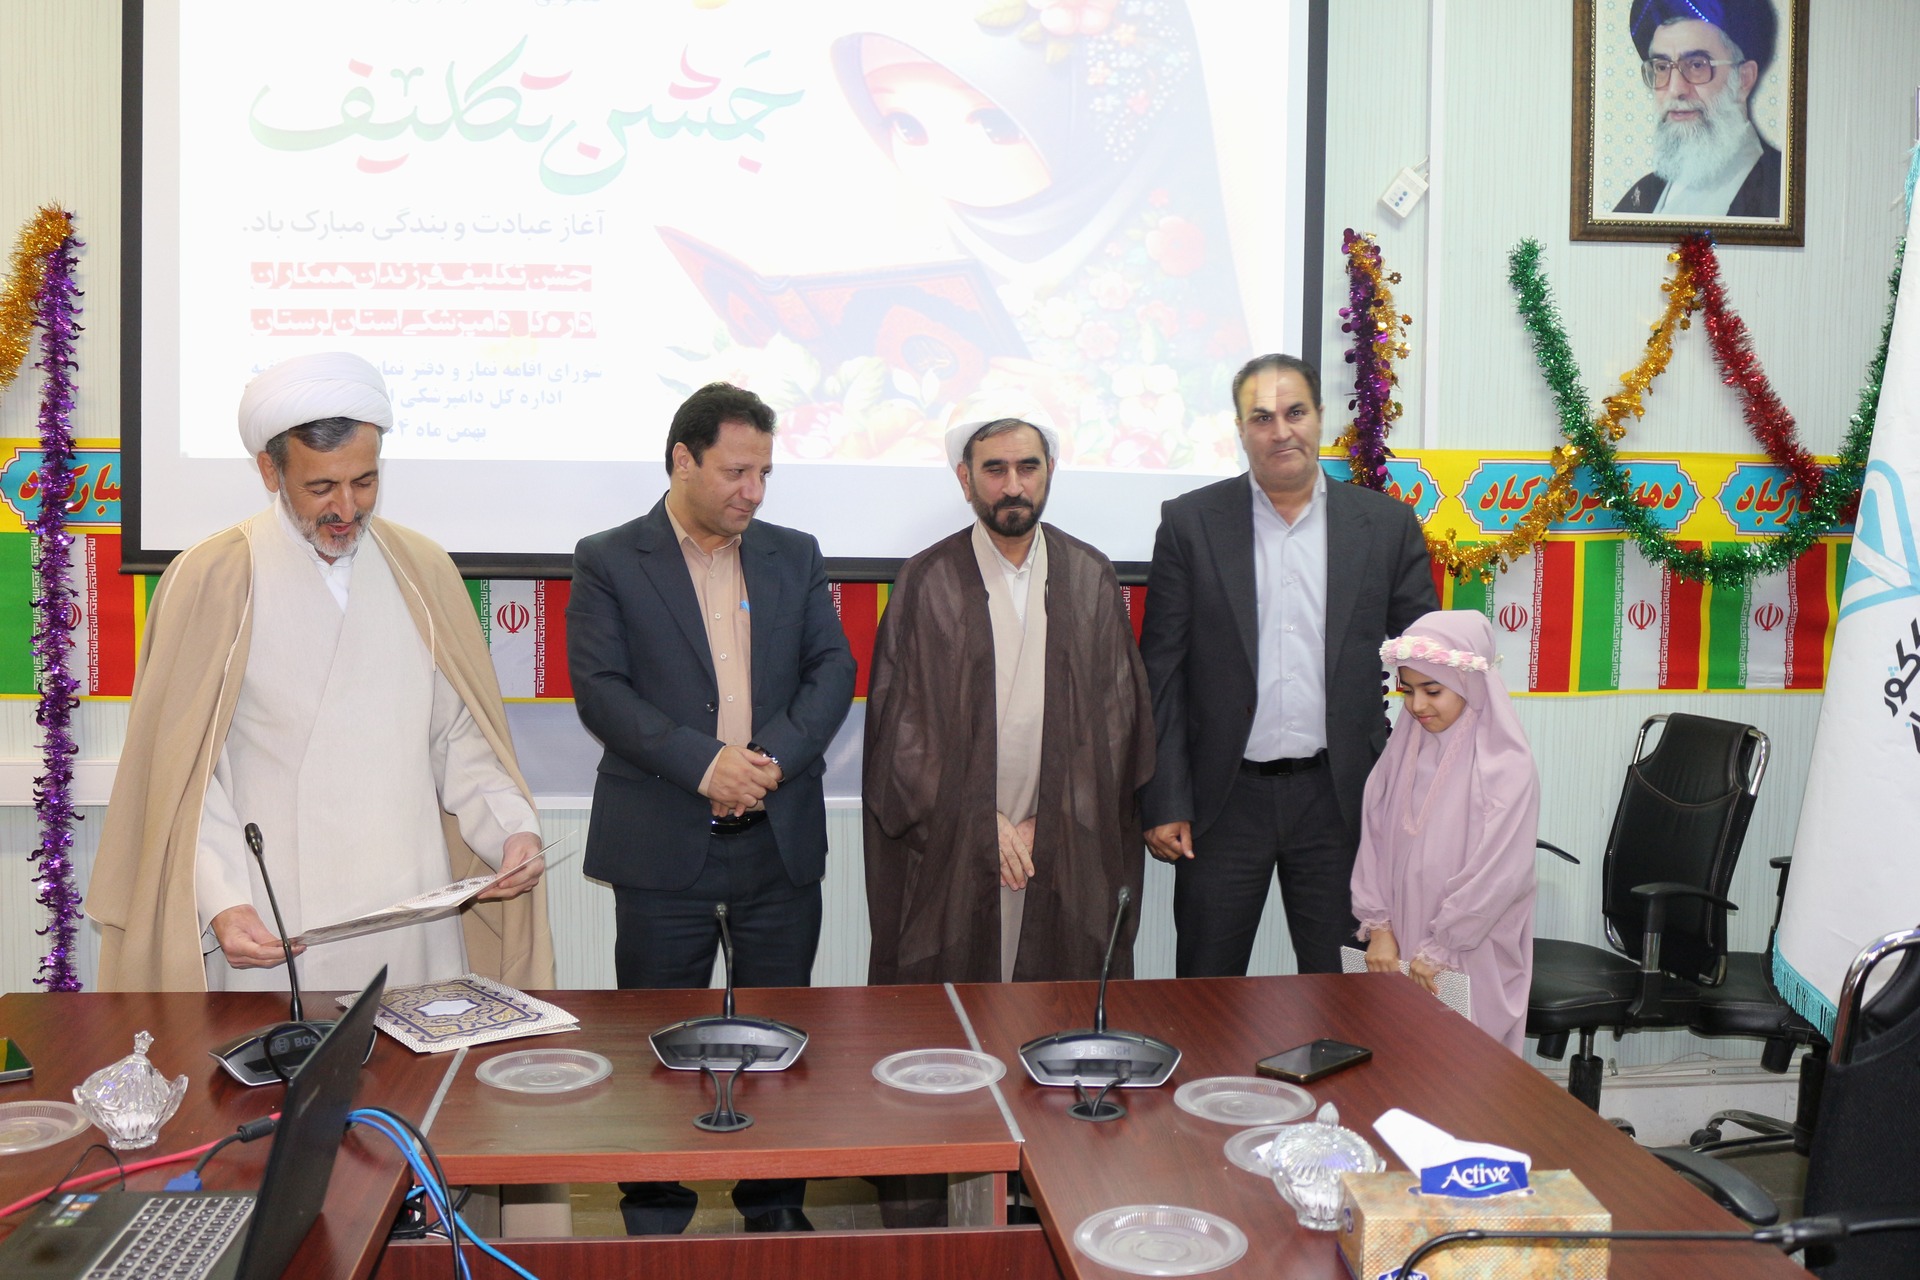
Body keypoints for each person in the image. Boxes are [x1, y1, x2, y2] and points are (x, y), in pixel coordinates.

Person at [88, 352, 552, 994]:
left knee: (409, 1057)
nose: (346, 507)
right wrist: (223, 900)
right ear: (269, 471)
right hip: (273, 912)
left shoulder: (422, 569)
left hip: (408, 906)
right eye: (321, 487)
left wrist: (511, 831)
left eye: (365, 482)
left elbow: (455, 738)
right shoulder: (213, 578)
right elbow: (190, 777)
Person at [567, 381, 855, 1236]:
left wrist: (765, 765)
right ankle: (658, 1212)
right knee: (657, 1046)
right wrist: (706, 767)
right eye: (736, 471)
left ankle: (775, 1206)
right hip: (663, 844)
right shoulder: (610, 558)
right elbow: (602, 690)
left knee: (779, 1040)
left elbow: (832, 671)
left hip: (777, 842)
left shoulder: (794, 554)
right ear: (682, 461)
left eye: (764, 472)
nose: (753, 492)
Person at [1138, 353, 1437, 977]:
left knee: (1342, 989)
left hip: (1341, 800)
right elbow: (1161, 672)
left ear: (1320, 418)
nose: (1281, 431)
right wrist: (1164, 797)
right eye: (1262, 417)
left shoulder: (1384, 525)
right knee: (1206, 989)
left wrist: (1423, 789)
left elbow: (1426, 658)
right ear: (1241, 430)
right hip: (1222, 803)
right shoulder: (1190, 523)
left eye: (1295, 412)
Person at [864, 414, 1154, 986]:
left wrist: (1052, 818)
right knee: (956, 1013)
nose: (1013, 485)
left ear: (1050, 472)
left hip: (1063, 836)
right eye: (994, 469)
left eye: (1028, 467)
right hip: (954, 843)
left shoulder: (1089, 574)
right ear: (965, 479)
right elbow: (901, 732)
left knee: (1058, 1007)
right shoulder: (928, 579)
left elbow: (1117, 722)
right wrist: (980, 822)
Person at [1351, 611, 1539, 1055]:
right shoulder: (1400, 756)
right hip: (1398, 942)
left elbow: (1499, 874)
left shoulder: (1506, 768)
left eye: (1433, 690)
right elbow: (1372, 843)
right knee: (1399, 1061)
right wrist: (1379, 928)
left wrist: (1441, 949)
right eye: (1408, 690)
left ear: (1469, 683)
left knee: (1463, 1067)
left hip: (1470, 949)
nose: (1417, 706)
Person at [1614, 0, 1782, 220]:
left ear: (1744, 79)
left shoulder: (1782, 190)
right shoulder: (1641, 197)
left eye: (1697, 65)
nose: (1675, 89)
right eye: (1662, 67)